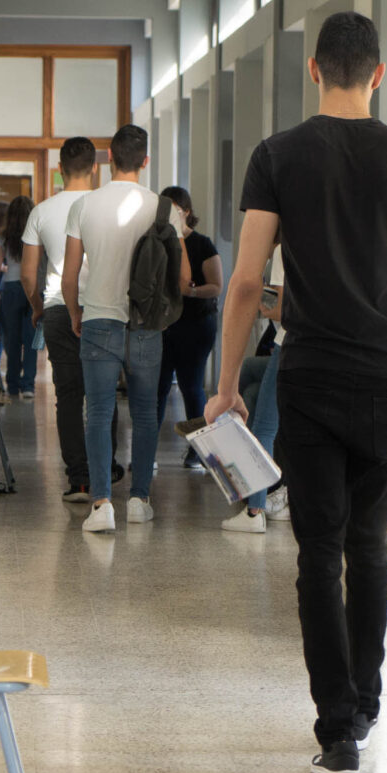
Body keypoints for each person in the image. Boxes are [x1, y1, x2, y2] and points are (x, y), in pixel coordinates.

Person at [205, 10, 387, 773]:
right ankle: (368, 698)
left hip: (310, 374)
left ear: (314, 71)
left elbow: (248, 279)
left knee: (318, 552)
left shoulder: (278, 156)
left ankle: (337, 728)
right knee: (372, 547)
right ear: (377, 75)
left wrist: (225, 387)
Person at [62, 124, 189, 533]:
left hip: (98, 318)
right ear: (145, 162)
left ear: (109, 159)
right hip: (146, 324)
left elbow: (69, 276)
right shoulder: (164, 209)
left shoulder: (83, 206)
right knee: (145, 413)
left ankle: (101, 504)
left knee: (97, 412)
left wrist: (74, 313)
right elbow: (183, 278)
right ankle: (139, 499)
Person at [23, 138, 99, 501]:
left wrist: (38, 307)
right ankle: (104, 474)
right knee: (101, 396)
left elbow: (27, 274)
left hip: (55, 307)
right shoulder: (103, 207)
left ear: (59, 169)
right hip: (102, 309)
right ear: (95, 168)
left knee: (68, 396)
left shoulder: (42, 211)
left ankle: (79, 481)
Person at [154, 185, 221, 439]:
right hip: (165, 324)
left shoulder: (202, 244)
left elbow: (216, 287)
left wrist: (190, 291)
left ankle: (199, 451)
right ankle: (148, 453)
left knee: (191, 386)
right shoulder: (157, 243)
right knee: (158, 388)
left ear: (187, 212)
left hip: (196, 324)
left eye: (176, 210)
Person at [222, 282, 288, 533]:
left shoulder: (285, 249)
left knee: (264, 427)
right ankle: (244, 480)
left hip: (288, 342)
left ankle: (254, 510)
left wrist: (264, 308)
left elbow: (284, 311)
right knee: (249, 386)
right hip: (313, 344)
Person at [0, 194, 37, 399]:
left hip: (10, 288)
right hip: (32, 287)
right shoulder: (36, 233)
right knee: (31, 339)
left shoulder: (4, 236)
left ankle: (12, 384)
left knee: (11, 339)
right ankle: (28, 384)